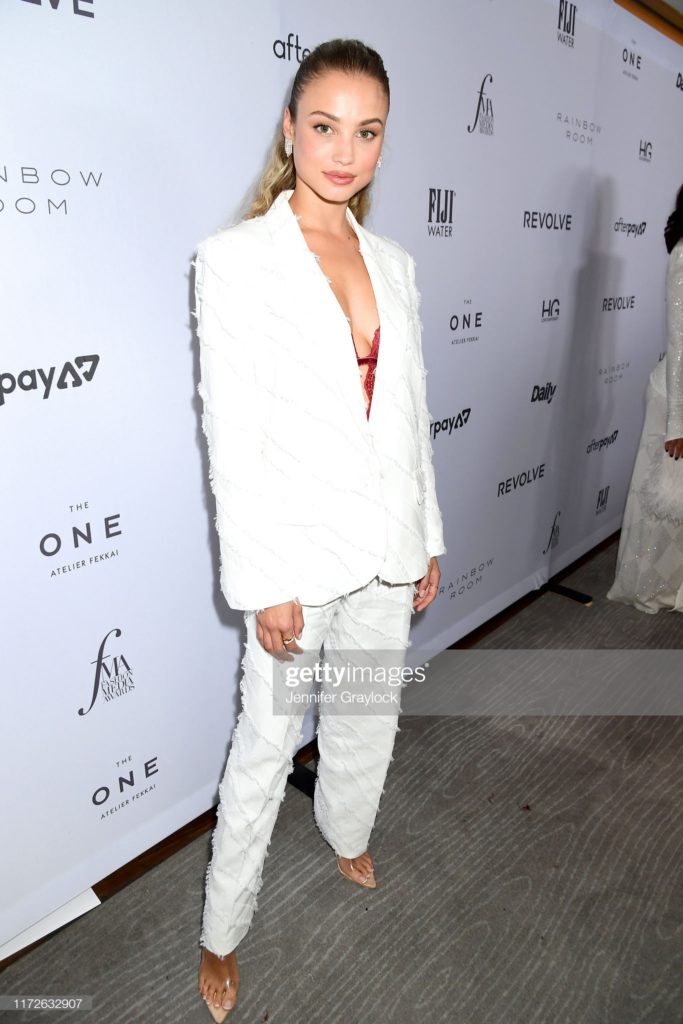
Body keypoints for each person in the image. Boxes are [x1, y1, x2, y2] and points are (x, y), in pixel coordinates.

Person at [192, 39, 446, 1021]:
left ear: (382, 140)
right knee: (262, 745)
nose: (344, 150)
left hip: (385, 552)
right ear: (291, 130)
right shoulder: (233, 260)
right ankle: (221, 933)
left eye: (366, 130)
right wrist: (263, 581)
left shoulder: (394, 262)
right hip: (295, 562)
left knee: (367, 717)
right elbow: (233, 435)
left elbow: (411, 410)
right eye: (325, 125)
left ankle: (345, 828)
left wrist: (423, 532)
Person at [607, 184, 683, 612]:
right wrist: (678, 421)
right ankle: (651, 586)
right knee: (662, 503)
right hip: (675, 394)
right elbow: (679, 342)